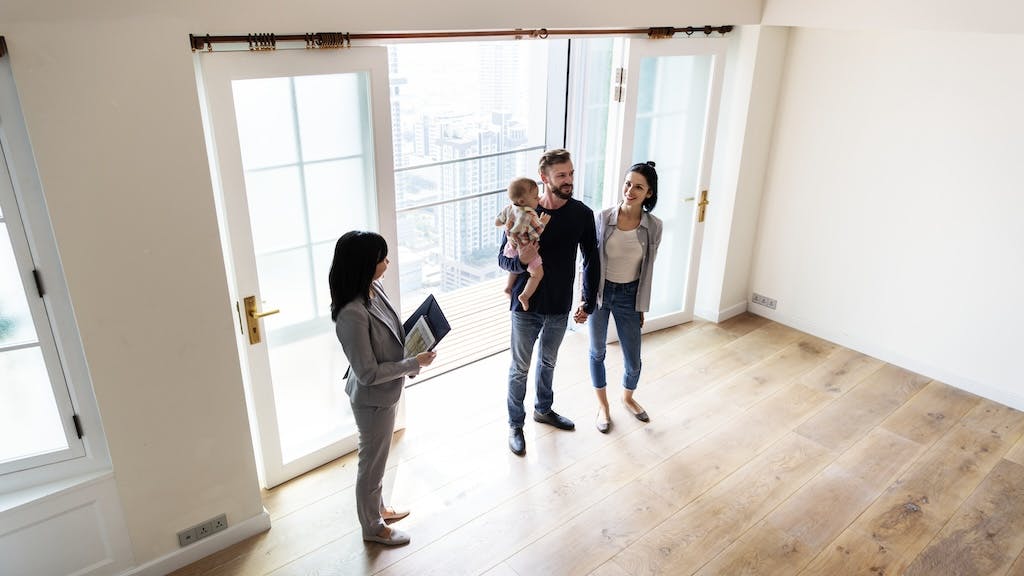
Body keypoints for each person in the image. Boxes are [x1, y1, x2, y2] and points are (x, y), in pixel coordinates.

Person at [329, 231, 437, 546]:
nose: (388, 263)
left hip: (385, 394)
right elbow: (367, 373)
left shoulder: (371, 288)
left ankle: (378, 509)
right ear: (365, 265)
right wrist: (412, 364)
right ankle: (373, 528)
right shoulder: (352, 313)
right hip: (372, 400)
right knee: (372, 465)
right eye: (382, 259)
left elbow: (392, 334)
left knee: (378, 459)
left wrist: (413, 352)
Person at [498, 148, 600, 456]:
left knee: (548, 362)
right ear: (544, 178)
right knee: (520, 368)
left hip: (559, 306)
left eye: (570, 174)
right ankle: (516, 425)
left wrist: (588, 301)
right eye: (561, 175)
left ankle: (544, 409)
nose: (568, 180)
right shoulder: (520, 212)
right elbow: (503, 259)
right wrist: (522, 262)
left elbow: (591, 260)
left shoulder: (582, 214)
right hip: (525, 307)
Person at [589, 162, 663, 433]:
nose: (630, 190)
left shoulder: (654, 227)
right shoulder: (603, 217)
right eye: (628, 183)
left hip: (630, 295)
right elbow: (589, 263)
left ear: (649, 194)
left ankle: (627, 397)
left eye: (638, 187)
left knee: (633, 359)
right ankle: (603, 407)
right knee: (597, 351)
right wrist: (585, 300)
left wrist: (641, 306)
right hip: (600, 293)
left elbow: (648, 269)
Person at [495, 177, 550, 311]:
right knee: (537, 274)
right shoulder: (530, 214)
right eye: (536, 197)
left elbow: (497, 222)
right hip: (526, 248)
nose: (538, 199)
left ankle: (508, 288)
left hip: (511, 246)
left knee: (515, 268)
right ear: (522, 201)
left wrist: (509, 226)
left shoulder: (509, 208)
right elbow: (535, 233)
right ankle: (524, 296)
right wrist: (543, 222)